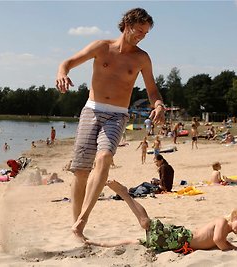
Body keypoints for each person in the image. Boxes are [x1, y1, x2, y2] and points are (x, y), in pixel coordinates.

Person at [55, 8, 165, 241]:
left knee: (104, 158)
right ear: (127, 24)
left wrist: (158, 105)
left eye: (145, 33)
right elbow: (68, 62)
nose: (141, 36)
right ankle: (77, 229)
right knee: (81, 172)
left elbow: (152, 89)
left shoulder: (141, 58)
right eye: (139, 30)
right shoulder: (101, 47)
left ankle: (82, 221)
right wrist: (62, 72)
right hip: (91, 110)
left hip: (117, 116)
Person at [87, 180, 237, 253]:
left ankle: (99, 243)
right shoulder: (222, 222)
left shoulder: (227, 231)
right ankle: (125, 194)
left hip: (178, 243)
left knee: (138, 242)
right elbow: (218, 241)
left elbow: (218, 243)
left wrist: (236, 246)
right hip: (179, 237)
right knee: (146, 223)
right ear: (236, 215)